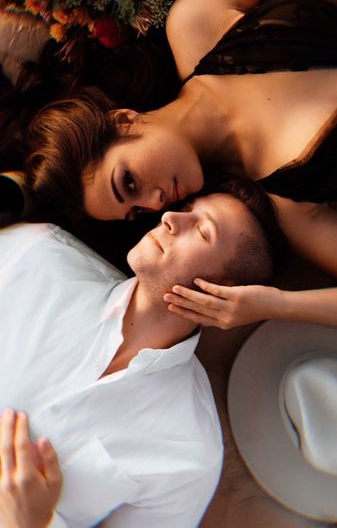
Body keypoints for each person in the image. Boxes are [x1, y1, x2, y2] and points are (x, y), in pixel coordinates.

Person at [23, 0, 337, 328]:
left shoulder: (195, 24)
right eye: (138, 213)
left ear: (123, 121)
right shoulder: (290, 200)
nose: (157, 203)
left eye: (130, 182)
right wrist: (275, 304)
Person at [0, 181, 280, 528]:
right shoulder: (36, 255)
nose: (170, 218)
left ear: (224, 294)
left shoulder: (189, 453)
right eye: (187, 209)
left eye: (202, 230)